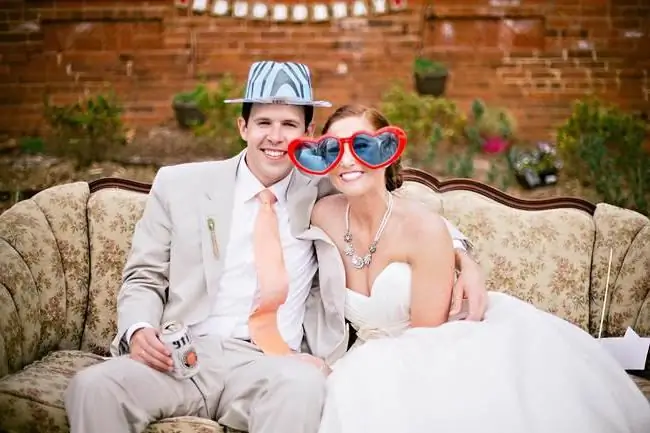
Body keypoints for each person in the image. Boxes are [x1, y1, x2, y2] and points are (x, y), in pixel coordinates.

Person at [63, 61, 487, 433]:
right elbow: (144, 275)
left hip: (275, 363)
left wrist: (458, 252)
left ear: (306, 135)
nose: (275, 138)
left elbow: (394, 207)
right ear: (243, 127)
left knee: (305, 389)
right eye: (264, 122)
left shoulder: (324, 186)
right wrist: (139, 330)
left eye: (289, 125)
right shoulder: (181, 185)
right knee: (93, 388)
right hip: (188, 353)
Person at [286, 104, 650, 433]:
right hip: (365, 356)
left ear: (386, 152)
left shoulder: (424, 230)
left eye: (362, 146)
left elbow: (424, 342)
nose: (347, 160)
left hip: (434, 350)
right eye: (334, 149)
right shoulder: (323, 213)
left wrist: (461, 256)